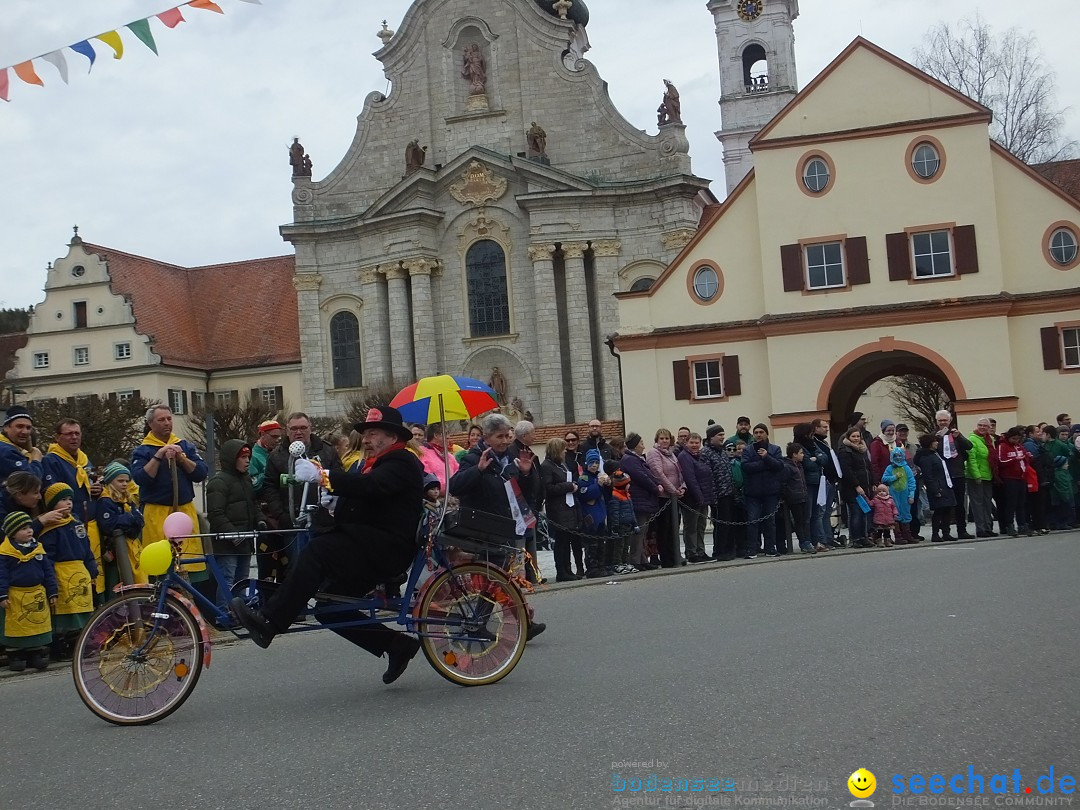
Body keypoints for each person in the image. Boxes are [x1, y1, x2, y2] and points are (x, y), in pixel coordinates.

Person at [232, 405, 427, 684]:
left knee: (318, 551)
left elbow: (373, 488)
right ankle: (397, 645)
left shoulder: (401, 461)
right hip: (371, 545)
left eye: (373, 433)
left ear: (393, 437)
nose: (367, 439)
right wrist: (336, 502)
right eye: (366, 433)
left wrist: (324, 477)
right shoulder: (378, 463)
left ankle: (269, 622)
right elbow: (368, 496)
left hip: (386, 549)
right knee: (328, 608)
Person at [449, 413, 545, 639]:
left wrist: (525, 473)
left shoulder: (508, 459)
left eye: (507, 436)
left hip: (505, 527)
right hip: (483, 528)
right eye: (499, 436)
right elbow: (456, 486)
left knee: (504, 578)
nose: (505, 441)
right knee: (497, 578)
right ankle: (479, 622)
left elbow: (520, 493)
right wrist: (478, 470)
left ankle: (521, 623)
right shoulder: (473, 458)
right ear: (487, 437)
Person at [130, 405, 209, 586]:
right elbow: (141, 478)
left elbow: (201, 473)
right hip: (156, 513)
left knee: (187, 561)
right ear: (151, 424)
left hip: (183, 512)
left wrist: (181, 459)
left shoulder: (185, 446)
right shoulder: (143, 451)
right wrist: (159, 456)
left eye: (169, 419)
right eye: (161, 420)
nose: (167, 423)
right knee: (161, 564)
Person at [259, 412, 341, 581]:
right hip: (293, 524)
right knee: (299, 572)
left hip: (324, 523)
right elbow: (269, 486)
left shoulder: (327, 451)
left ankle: (326, 604)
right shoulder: (277, 455)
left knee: (328, 570)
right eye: (294, 428)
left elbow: (339, 478)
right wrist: (281, 515)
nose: (299, 432)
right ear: (287, 431)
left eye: (303, 428)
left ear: (310, 428)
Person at [42, 418, 104, 601]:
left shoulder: (84, 460)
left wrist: (96, 489)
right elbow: (52, 493)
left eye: (77, 433)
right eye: (69, 434)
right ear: (57, 437)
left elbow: (89, 483)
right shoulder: (52, 460)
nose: (74, 437)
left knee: (92, 571)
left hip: (89, 524)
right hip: (67, 528)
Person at [36, 483, 97, 657]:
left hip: (80, 571)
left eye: (70, 499)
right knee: (66, 611)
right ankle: (65, 645)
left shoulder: (76, 522)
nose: (68, 503)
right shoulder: (49, 528)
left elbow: (86, 547)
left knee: (82, 609)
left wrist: (91, 566)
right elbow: (48, 555)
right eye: (63, 499)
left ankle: (82, 641)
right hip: (62, 573)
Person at [206, 440, 262, 623]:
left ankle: (239, 613)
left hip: (245, 540)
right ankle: (223, 614)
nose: (247, 461)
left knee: (242, 580)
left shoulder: (245, 479)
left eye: (248, 457)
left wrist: (260, 520)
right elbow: (215, 513)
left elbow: (253, 505)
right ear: (232, 459)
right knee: (227, 580)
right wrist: (233, 534)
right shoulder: (218, 482)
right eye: (243, 457)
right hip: (228, 543)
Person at [0, 511, 58, 672]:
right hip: (15, 596)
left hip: (36, 593)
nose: (29, 531)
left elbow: (48, 572)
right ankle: (16, 655)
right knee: (16, 625)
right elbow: (2, 575)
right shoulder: (5, 553)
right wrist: (2, 594)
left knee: (36, 624)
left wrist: (52, 591)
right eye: (23, 529)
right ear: (12, 533)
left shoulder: (38, 549)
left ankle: (37, 653)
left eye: (29, 527)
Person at [94, 462, 145, 593]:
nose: (124, 484)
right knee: (118, 583)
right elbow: (109, 525)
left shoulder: (127, 499)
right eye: (120, 481)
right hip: (116, 552)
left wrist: (130, 523)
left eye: (127, 481)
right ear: (110, 481)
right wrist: (129, 519)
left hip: (131, 546)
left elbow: (139, 520)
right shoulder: (105, 501)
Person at [540, 437, 581, 582]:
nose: (565, 451)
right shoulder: (546, 466)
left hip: (567, 507)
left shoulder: (561, 465)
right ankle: (561, 571)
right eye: (563, 449)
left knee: (566, 541)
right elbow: (549, 488)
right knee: (561, 542)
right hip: (557, 509)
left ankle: (568, 570)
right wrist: (569, 486)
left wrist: (573, 484)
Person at [741, 424, 784, 558]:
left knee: (770, 521)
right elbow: (746, 466)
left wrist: (767, 457)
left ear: (766, 434)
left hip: (770, 491)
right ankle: (752, 549)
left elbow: (779, 466)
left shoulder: (775, 449)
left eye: (761, 432)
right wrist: (765, 465)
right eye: (756, 432)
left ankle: (770, 547)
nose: (758, 435)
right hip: (753, 492)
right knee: (752, 520)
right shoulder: (748, 450)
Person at [621, 433, 661, 570]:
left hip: (644, 499)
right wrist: (655, 488)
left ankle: (642, 558)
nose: (643, 444)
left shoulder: (637, 459)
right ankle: (635, 560)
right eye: (641, 441)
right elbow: (641, 476)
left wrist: (656, 483)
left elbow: (649, 474)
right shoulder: (629, 459)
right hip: (638, 499)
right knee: (638, 531)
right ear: (635, 444)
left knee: (643, 531)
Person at [646, 428, 684, 567]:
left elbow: (679, 472)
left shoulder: (671, 454)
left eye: (667, 438)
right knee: (664, 529)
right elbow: (658, 473)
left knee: (673, 529)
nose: (664, 441)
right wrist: (672, 490)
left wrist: (682, 487)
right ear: (657, 440)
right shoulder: (653, 453)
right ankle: (667, 559)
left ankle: (675, 556)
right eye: (662, 438)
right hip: (663, 497)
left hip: (673, 497)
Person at [700, 424, 737, 560]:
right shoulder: (706, 453)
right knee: (721, 525)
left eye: (723, 434)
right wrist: (713, 497)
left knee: (729, 523)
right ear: (711, 437)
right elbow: (708, 476)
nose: (722, 437)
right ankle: (720, 551)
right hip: (718, 495)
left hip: (728, 493)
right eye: (719, 435)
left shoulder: (721, 451)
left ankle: (729, 549)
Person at [677, 432, 714, 563]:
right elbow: (690, 478)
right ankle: (691, 552)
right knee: (691, 526)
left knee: (701, 525)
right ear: (686, 443)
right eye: (691, 442)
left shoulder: (700, 456)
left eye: (697, 442)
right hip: (691, 497)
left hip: (703, 496)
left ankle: (700, 550)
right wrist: (699, 496)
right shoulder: (684, 457)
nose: (694, 445)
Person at [935, 410, 972, 539]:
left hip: (958, 473)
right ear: (937, 421)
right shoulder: (934, 435)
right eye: (940, 420)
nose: (942, 423)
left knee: (960, 505)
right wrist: (936, 438)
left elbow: (969, 446)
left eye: (945, 420)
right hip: (943, 475)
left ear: (950, 421)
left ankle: (962, 531)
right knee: (946, 505)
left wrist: (959, 436)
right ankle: (946, 532)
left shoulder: (955, 434)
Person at [915, 435, 956, 542]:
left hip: (946, 484)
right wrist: (935, 490)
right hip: (937, 487)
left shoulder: (936, 454)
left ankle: (946, 533)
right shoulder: (926, 457)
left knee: (947, 509)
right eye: (934, 441)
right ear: (929, 443)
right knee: (939, 511)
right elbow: (928, 476)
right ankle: (935, 534)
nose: (937, 443)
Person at [837, 427, 873, 548]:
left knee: (864, 512)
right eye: (853, 436)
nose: (856, 439)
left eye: (858, 436)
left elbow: (868, 468)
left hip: (865, 485)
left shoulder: (862, 450)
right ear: (848, 437)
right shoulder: (845, 451)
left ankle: (864, 537)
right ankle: (855, 538)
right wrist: (856, 485)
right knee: (856, 512)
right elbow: (847, 471)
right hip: (852, 488)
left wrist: (873, 482)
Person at [577, 449, 610, 576]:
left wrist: (608, 485)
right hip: (590, 516)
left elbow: (607, 496)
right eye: (592, 463)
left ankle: (602, 565)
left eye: (596, 462)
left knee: (601, 543)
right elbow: (585, 494)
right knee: (592, 544)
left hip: (601, 514)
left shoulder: (598, 476)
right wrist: (599, 485)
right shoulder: (584, 478)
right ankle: (592, 568)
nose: (594, 465)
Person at [964, 417, 997, 538]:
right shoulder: (972, 439)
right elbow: (971, 459)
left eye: (985, 426)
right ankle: (981, 529)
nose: (982, 427)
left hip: (988, 475)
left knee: (987, 503)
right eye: (980, 425)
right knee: (977, 504)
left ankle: (988, 527)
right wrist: (976, 475)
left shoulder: (989, 440)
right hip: (975, 476)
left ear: (989, 428)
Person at [996, 426, 1031, 537]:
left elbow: (1024, 457)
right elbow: (1001, 460)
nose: (1015, 441)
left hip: (1021, 477)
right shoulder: (1003, 446)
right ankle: (1009, 525)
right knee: (1011, 503)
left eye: (1017, 439)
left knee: (1021, 503)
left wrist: (1028, 457)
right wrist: (1014, 459)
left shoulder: (1020, 446)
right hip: (1009, 478)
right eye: (1013, 439)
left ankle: (1022, 525)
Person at [781, 442, 814, 553]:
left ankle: (807, 541)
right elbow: (784, 483)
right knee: (799, 521)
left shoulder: (799, 466)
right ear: (794, 454)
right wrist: (789, 494)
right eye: (801, 453)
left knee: (805, 520)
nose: (803, 455)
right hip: (794, 498)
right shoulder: (787, 467)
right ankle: (803, 542)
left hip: (803, 496)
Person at [881, 446, 917, 545]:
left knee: (906, 514)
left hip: (905, 496)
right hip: (894, 496)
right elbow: (884, 479)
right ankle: (898, 536)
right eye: (895, 456)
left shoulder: (906, 468)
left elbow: (912, 482)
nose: (898, 458)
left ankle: (907, 535)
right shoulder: (889, 468)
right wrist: (894, 477)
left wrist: (911, 495)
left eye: (900, 455)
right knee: (896, 514)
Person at [0, 406, 43, 486]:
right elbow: (32, 481)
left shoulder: (14, 448)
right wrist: (36, 459)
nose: (25, 432)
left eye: (28, 428)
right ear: (6, 427)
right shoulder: (6, 451)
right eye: (19, 426)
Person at [250, 420, 283, 491]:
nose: (277, 440)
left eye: (279, 438)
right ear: (263, 434)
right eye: (274, 437)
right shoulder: (252, 457)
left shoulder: (280, 454)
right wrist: (271, 472)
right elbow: (252, 484)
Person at [869, 419, 896, 484]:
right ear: (883, 431)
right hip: (884, 477)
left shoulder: (897, 442)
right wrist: (878, 479)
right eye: (888, 430)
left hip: (897, 476)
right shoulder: (876, 444)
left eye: (893, 430)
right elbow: (874, 463)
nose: (891, 432)